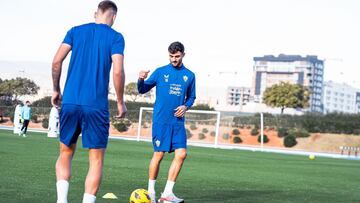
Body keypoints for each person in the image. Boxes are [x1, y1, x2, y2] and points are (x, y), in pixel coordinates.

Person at [51, 1, 126, 203]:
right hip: (96, 105)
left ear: (96, 14)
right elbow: (118, 71)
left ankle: (61, 200)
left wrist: (56, 90)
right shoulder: (116, 37)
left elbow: (56, 61)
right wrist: (120, 101)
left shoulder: (75, 31)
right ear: (114, 16)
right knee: (96, 159)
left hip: (70, 102)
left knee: (65, 152)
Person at [137, 42, 196, 203]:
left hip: (177, 123)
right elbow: (142, 89)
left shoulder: (190, 76)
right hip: (161, 121)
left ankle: (167, 194)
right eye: (171, 56)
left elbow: (191, 97)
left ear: (183, 54)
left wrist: (186, 106)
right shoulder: (161, 72)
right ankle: (151, 193)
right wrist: (141, 79)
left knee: (182, 154)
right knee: (159, 154)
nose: (174, 59)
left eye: (177, 56)